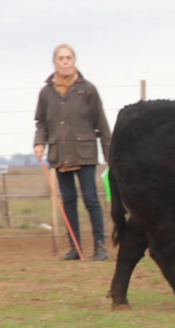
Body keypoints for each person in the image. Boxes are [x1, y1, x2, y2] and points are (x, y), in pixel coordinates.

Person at [34, 43, 111, 261]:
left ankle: (100, 247)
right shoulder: (46, 92)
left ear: (74, 61)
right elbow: (41, 122)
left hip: (85, 153)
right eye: (61, 58)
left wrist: (109, 155)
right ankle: (75, 248)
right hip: (59, 154)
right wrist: (39, 143)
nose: (65, 62)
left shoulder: (88, 89)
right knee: (68, 201)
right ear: (55, 63)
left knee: (91, 199)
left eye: (69, 58)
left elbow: (101, 124)